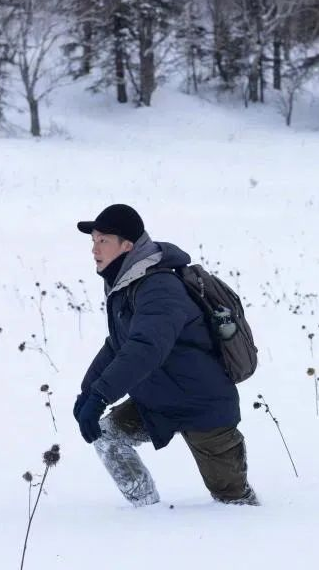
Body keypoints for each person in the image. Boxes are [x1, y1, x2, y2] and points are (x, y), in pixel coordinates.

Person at [72, 204, 259, 506]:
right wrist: (88, 391)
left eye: (103, 240)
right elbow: (119, 344)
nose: (94, 249)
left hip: (203, 406)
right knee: (108, 437)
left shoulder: (158, 287)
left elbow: (145, 349)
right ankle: (147, 513)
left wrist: (101, 395)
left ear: (127, 245)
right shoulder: (127, 285)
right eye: (93, 240)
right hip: (160, 402)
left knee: (234, 503)